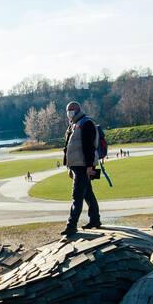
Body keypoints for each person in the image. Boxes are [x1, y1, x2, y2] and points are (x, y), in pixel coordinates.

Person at [61, 100, 101, 237]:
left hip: (84, 165)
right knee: (88, 193)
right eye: (68, 110)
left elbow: (89, 146)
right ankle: (95, 220)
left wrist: (90, 166)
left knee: (77, 196)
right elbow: (68, 148)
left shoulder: (86, 123)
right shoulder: (73, 125)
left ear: (78, 109)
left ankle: (71, 225)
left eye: (72, 109)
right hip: (77, 166)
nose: (69, 112)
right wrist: (69, 167)